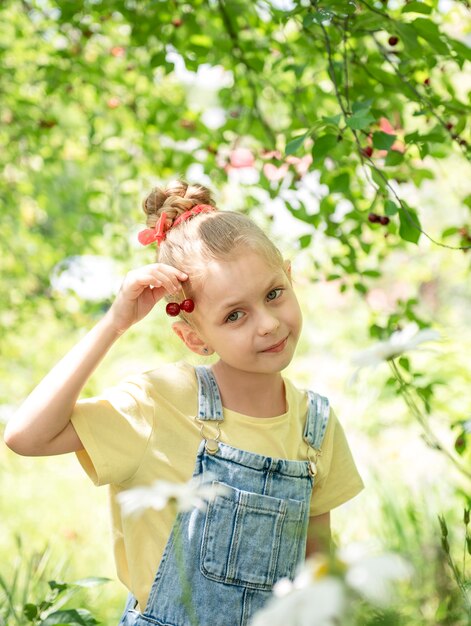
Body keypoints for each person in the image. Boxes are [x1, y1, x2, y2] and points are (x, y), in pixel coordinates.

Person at [4, 179, 364, 626]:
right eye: (235, 315)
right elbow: (25, 436)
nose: (268, 324)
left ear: (290, 277)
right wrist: (115, 323)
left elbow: (319, 570)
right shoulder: (161, 402)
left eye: (274, 294)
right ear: (193, 336)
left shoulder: (315, 424)